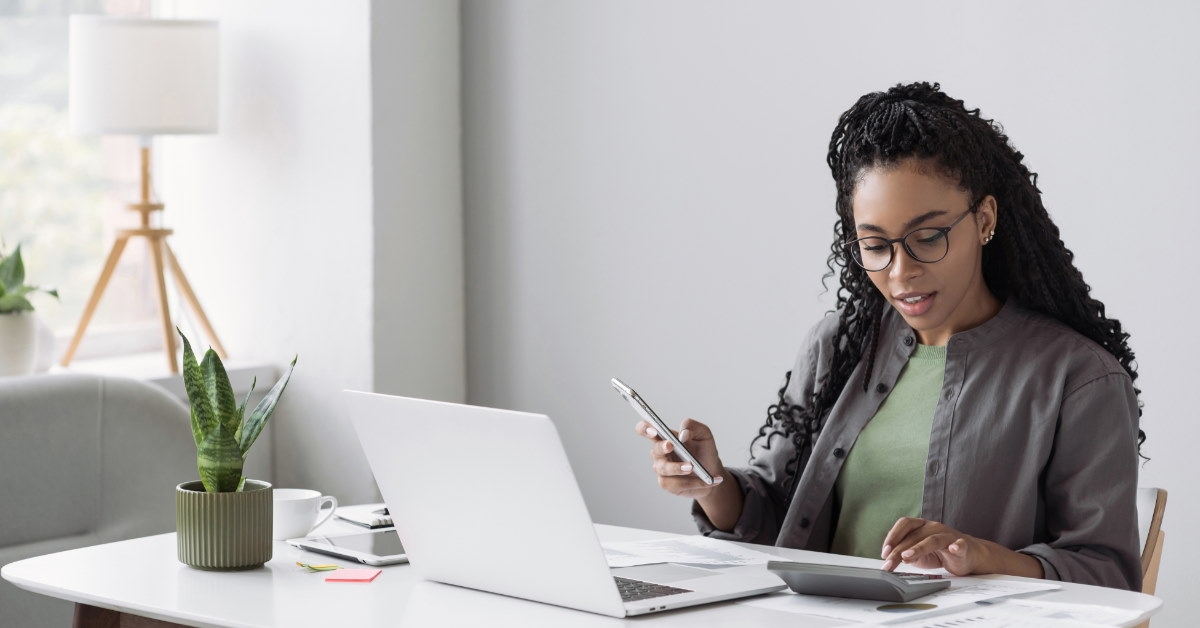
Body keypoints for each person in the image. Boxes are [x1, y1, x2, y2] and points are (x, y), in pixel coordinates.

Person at [636, 81, 1144, 591]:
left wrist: (979, 556)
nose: (901, 272)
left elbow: (1108, 573)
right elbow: (781, 518)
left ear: (984, 219)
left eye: (928, 237)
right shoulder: (839, 346)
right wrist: (711, 482)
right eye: (875, 245)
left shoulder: (1079, 380)